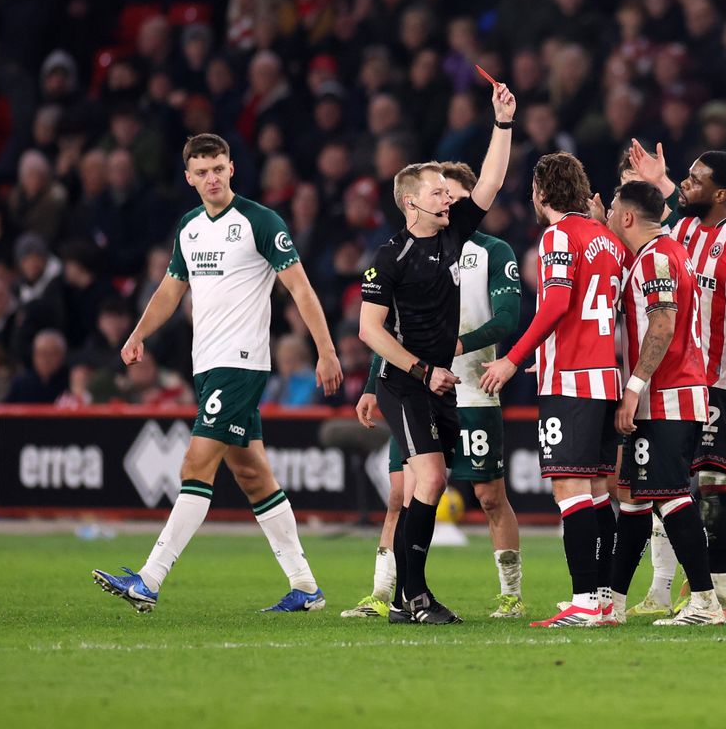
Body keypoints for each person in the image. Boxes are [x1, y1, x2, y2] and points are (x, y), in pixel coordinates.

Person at [93, 133, 344, 613]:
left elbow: (302, 289)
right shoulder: (188, 228)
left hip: (241, 363)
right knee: (253, 475)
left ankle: (149, 579)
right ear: (189, 178)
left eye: (218, 168)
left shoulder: (259, 222)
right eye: (202, 171)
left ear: (232, 170)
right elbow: (170, 291)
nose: (211, 177)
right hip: (207, 366)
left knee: (195, 465)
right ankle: (307, 588)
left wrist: (326, 351)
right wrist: (137, 334)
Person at [359, 83, 516, 625]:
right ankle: (415, 596)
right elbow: (369, 331)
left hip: (436, 383)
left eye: (448, 192)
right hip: (407, 383)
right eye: (436, 192)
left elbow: (491, 182)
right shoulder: (389, 256)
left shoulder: (453, 237)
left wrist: (502, 123)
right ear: (411, 203)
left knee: (430, 483)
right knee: (426, 482)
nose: (447, 198)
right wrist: (423, 370)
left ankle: (406, 597)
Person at [622, 141, 726, 619]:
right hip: (682, 380)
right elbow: (662, 210)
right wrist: (660, 179)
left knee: (711, 479)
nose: (685, 184)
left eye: (694, 179)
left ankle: (719, 594)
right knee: (668, 485)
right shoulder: (684, 228)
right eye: (684, 176)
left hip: (725, 381)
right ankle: (668, 590)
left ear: (723, 193)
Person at [480, 152, 626, 628]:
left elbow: (558, 303)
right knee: (599, 491)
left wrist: (513, 357)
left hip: (573, 380)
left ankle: (584, 599)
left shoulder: (558, 236)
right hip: (606, 377)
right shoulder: (607, 239)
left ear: (540, 193)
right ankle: (603, 599)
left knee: (570, 489)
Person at [603, 180, 722, 626]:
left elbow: (663, 324)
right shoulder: (664, 252)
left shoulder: (654, 258)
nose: (611, 216)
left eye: (614, 210)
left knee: (671, 497)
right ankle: (612, 601)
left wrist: (632, 388)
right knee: (634, 499)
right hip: (669, 393)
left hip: (669, 394)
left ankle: (706, 601)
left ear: (629, 217)